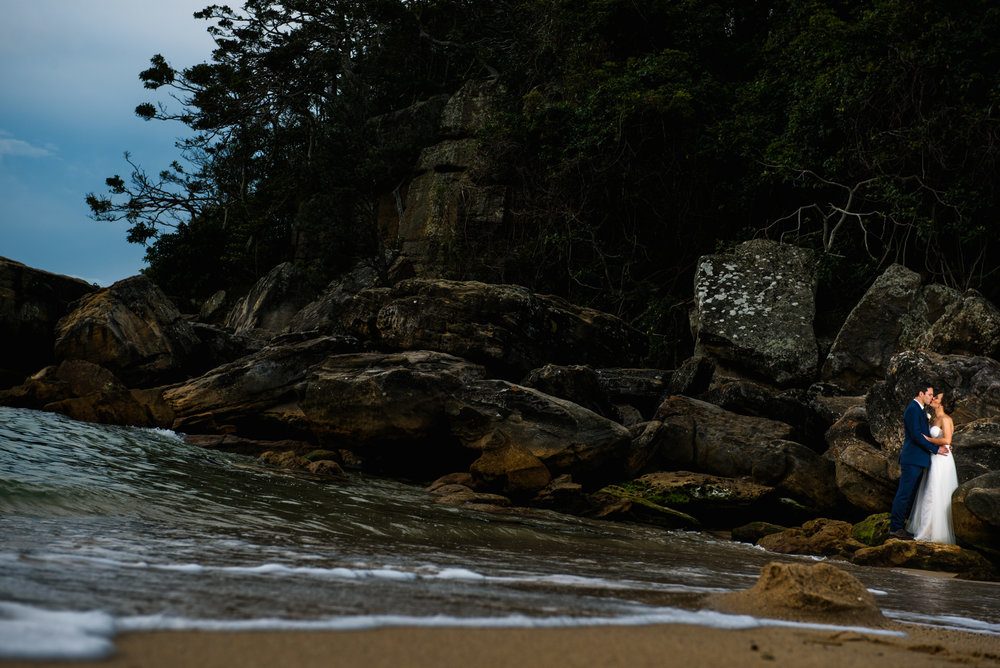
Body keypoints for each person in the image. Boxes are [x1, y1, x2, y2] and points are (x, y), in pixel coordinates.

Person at [888, 383, 949, 539]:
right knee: (904, 494)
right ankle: (895, 528)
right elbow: (916, 436)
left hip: (920, 459)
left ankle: (901, 526)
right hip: (912, 459)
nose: (931, 398)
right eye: (929, 394)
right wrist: (936, 449)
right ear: (920, 393)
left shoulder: (921, 410)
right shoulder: (912, 409)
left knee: (911, 495)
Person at [906, 392, 959, 543]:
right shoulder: (934, 419)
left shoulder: (946, 419)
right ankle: (926, 528)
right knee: (928, 492)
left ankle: (935, 532)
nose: (933, 398)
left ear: (941, 404)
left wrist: (927, 439)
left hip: (942, 458)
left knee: (934, 492)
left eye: (937, 398)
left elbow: (947, 439)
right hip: (934, 457)